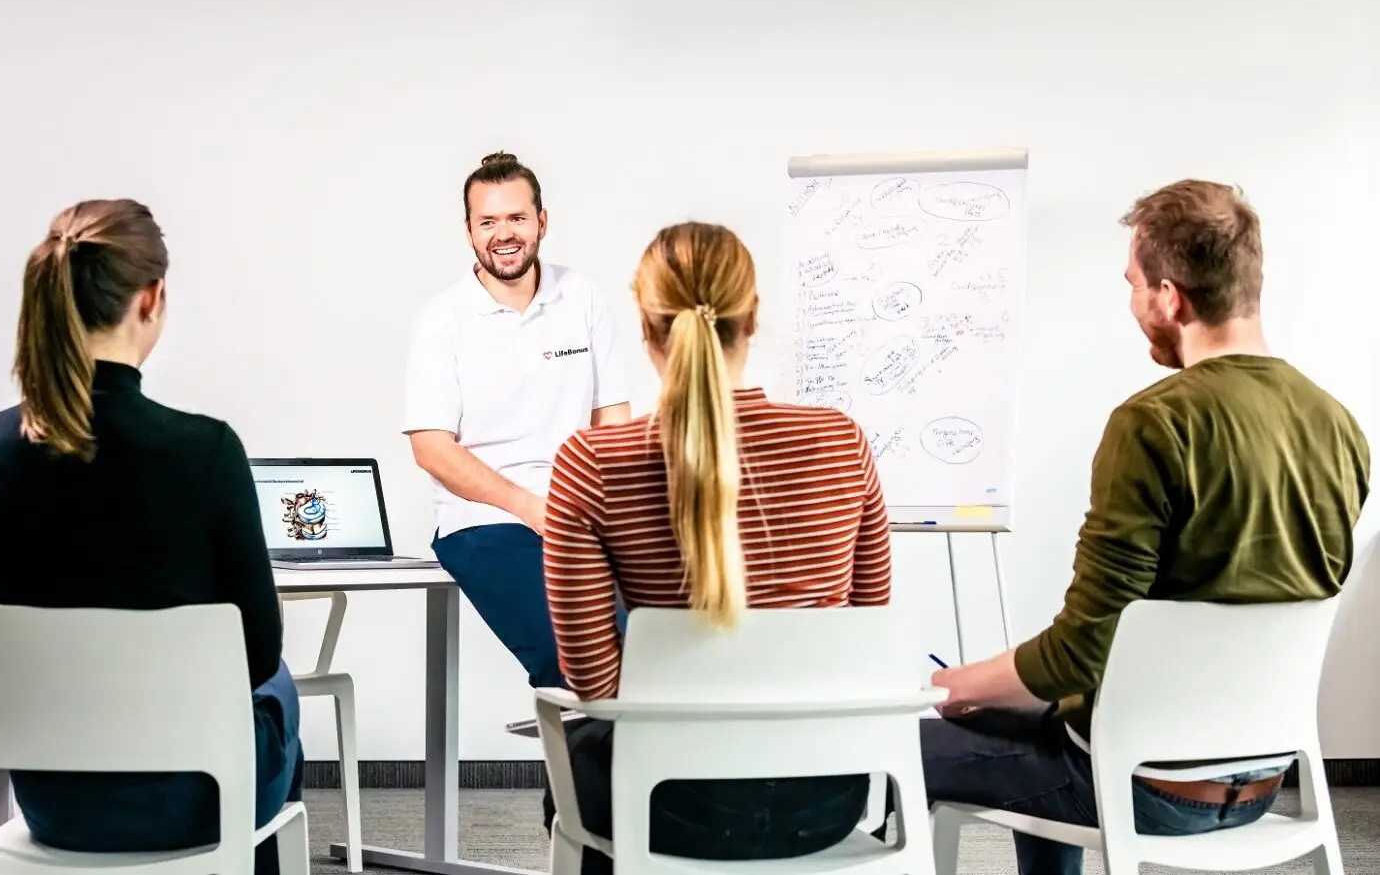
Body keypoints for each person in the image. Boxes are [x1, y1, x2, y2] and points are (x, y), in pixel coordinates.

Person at [916, 180, 1371, 875]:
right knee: (1037, 720)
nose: (1131, 302)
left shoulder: (1154, 422)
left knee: (904, 745)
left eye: (1132, 283)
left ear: (1168, 296)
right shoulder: (1338, 425)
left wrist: (955, 687)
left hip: (1141, 788)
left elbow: (1078, 658)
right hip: (1262, 781)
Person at [0, 199, 302, 874]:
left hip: (53, 802)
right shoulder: (206, 451)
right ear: (153, 297)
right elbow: (255, 655)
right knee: (278, 688)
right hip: (199, 797)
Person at [539, 221, 894, 874]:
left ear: (646, 329)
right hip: (825, 801)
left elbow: (594, 683)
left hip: (666, 806)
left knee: (572, 758)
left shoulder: (592, 464)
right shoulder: (841, 443)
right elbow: (867, 634)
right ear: (751, 319)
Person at [403, 152, 631, 688]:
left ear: (541, 222)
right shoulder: (443, 320)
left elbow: (614, 425)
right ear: (469, 232)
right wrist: (531, 507)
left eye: (516, 218)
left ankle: (623, 773)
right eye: (488, 222)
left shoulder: (582, 297)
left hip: (578, 517)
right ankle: (588, 770)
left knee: (650, 642)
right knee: (576, 654)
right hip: (484, 521)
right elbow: (432, 448)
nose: (503, 234)